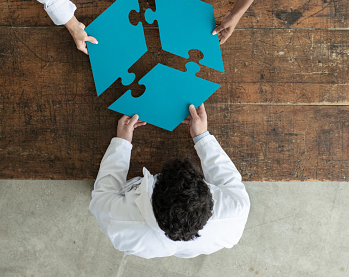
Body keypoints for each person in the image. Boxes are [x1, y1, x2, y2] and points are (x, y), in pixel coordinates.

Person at [90, 104, 250, 258]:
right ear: (208, 198)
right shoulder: (235, 214)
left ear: (153, 198)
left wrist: (122, 142)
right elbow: (227, 177)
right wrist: (202, 137)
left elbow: (103, 193)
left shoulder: (119, 225)